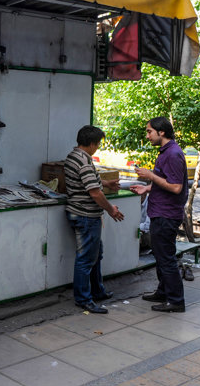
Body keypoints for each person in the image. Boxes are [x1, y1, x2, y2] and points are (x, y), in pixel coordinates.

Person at [130, 117, 189, 313]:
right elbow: (165, 181)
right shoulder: (166, 152)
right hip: (159, 211)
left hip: (167, 214)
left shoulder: (172, 154)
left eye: (149, 132)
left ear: (161, 132)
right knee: (160, 255)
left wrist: (150, 176)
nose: (147, 136)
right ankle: (163, 291)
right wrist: (147, 188)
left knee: (166, 258)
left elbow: (175, 187)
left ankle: (176, 300)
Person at [64, 125, 124, 314]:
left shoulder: (74, 156)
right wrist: (111, 210)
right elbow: (95, 193)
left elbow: (91, 182)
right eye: (97, 144)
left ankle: (97, 291)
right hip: (86, 215)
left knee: (96, 254)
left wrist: (106, 182)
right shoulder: (84, 161)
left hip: (80, 212)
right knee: (86, 258)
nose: (97, 147)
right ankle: (83, 299)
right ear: (91, 143)